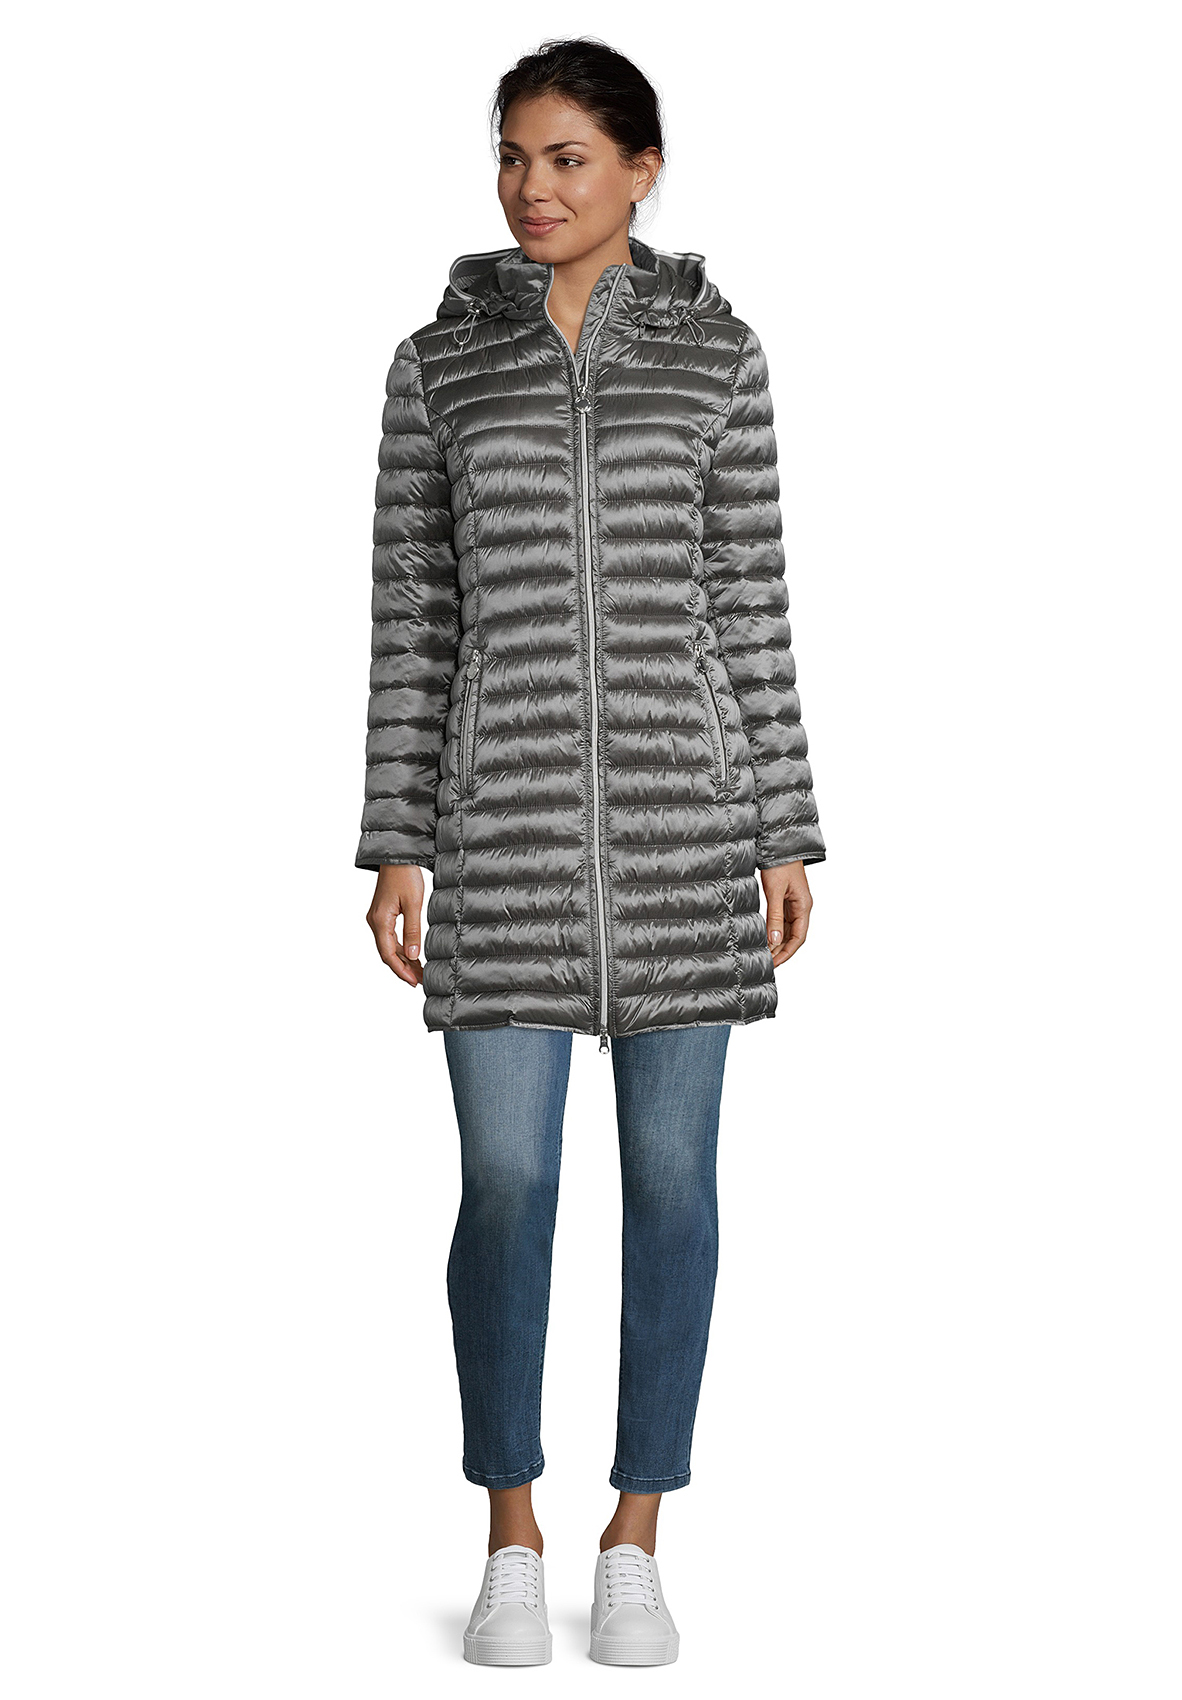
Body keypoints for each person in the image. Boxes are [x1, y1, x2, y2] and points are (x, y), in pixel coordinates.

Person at [357, 37, 825, 1667]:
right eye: (512, 155)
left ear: (641, 167)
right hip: (499, 834)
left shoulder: (719, 360)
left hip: (690, 829)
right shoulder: (439, 368)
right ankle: (510, 1529)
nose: (530, 187)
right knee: (507, 1183)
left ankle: (637, 1532)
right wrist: (397, 840)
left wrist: (782, 823)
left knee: (672, 1190)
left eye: (565, 157)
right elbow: (414, 621)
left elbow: (748, 602)